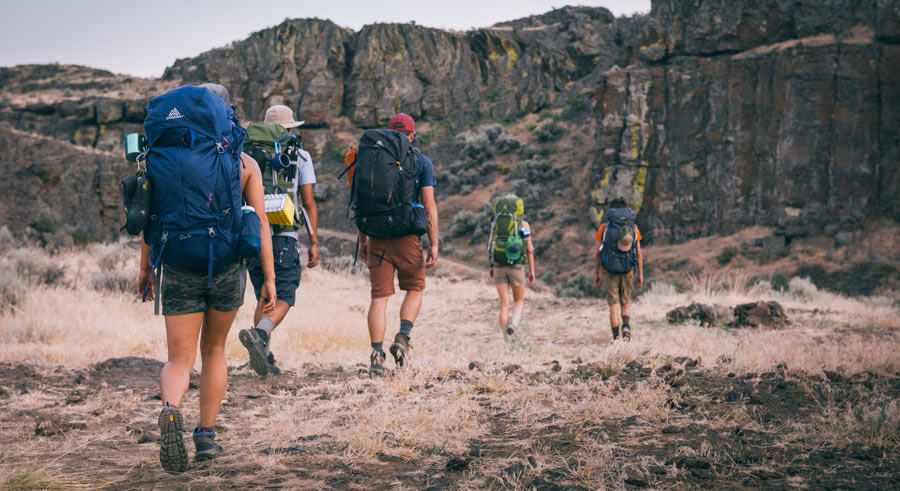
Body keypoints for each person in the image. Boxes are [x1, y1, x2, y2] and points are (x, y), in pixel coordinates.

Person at [138, 83, 276, 473]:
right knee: (214, 351)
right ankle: (206, 438)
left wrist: (145, 270)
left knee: (179, 358)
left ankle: (170, 409)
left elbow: (148, 222)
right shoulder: (244, 162)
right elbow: (260, 223)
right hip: (227, 265)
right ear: (225, 113)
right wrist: (268, 277)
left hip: (177, 262)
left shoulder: (157, 159)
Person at [239, 104, 320, 377]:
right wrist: (314, 242)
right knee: (284, 295)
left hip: (251, 233)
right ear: (289, 129)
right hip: (283, 236)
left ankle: (264, 357)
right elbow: (308, 202)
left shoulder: (244, 154)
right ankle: (260, 335)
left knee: (264, 295)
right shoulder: (300, 156)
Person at [357, 113, 438, 376]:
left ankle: (376, 355)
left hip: (377, 236)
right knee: (415, 288)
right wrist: (433, 243)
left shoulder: (372, 159)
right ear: (412, 135)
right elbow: (429, 205)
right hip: (408, 237)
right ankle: (402, 338)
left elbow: (362, 201)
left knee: (379, 298)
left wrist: (363, 239)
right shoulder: (421, 162)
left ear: (389, 132)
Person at [593, 197, 643, 341]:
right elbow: (638, 253)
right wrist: (640, 273)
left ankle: (616, 338)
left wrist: (596, 273)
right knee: (625, 302)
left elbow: (597, 252)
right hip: (629, 270)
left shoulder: (605, 228)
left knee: (613, 305)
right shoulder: (633, 228)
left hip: (609, 271)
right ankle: (626, 326)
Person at [488, 197, 536, 337]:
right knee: (519, 301)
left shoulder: (496, 224)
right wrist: (532, 270)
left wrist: (491, 265)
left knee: (504, 304)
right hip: (516, 266)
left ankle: (506, 339)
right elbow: (529, 249)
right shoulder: (523, 225)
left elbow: (491, 244)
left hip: (498, 265)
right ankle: (513, 326)